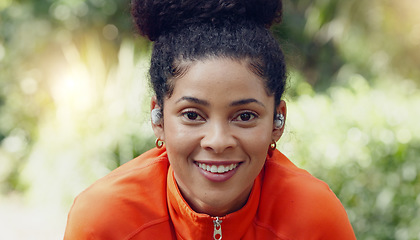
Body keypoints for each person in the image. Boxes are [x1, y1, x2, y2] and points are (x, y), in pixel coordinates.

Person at [64, 0, 356, 239]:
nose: (217, 141)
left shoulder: (315, 220)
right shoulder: (102, 221)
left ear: (277, 122)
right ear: (159, 117)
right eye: (192, 115)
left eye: (244, 116)